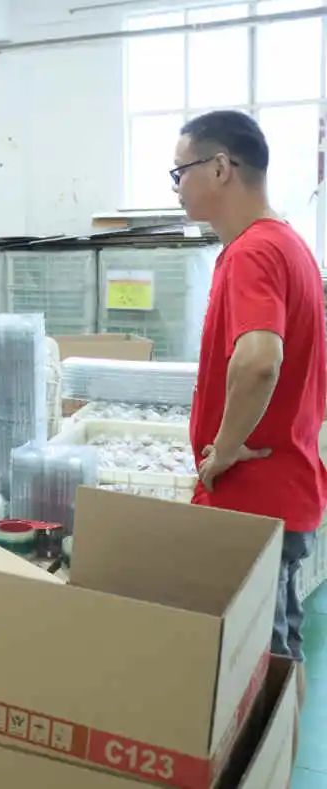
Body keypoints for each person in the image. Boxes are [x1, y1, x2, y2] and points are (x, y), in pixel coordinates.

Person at [176, 110, 327, 662]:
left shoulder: (252, 253)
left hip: (253, 499)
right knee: (282, 656)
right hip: (286, 489)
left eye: (180, 172)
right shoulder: (290, 246)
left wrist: (226, 447)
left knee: (255, 668)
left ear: (220, 168)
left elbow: (261, 360)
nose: (177, 187)